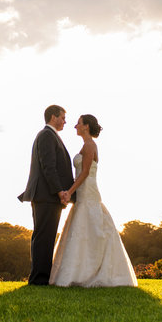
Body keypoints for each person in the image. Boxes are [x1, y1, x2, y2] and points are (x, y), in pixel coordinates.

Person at [49, 114, 137, 287]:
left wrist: (69, 192)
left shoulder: (90, 145)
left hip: (87, 192)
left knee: (90, 227)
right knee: (82, 228)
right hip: (83, 193)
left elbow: (85, 172)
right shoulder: (86, 145)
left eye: (78, 123)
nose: (75, 126)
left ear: (86, 126)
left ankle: (89, 273)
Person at [18, 105, 75, 285]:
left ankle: (41, 277)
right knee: (44, 237)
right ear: (53, 117)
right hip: (46, 196)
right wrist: (60, 192)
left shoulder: (50, 136)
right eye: (63, 117)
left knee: (46, 236)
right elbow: (48, 167)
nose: (65, 121)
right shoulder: (46, 136)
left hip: (47, 196)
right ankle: (39, 279)